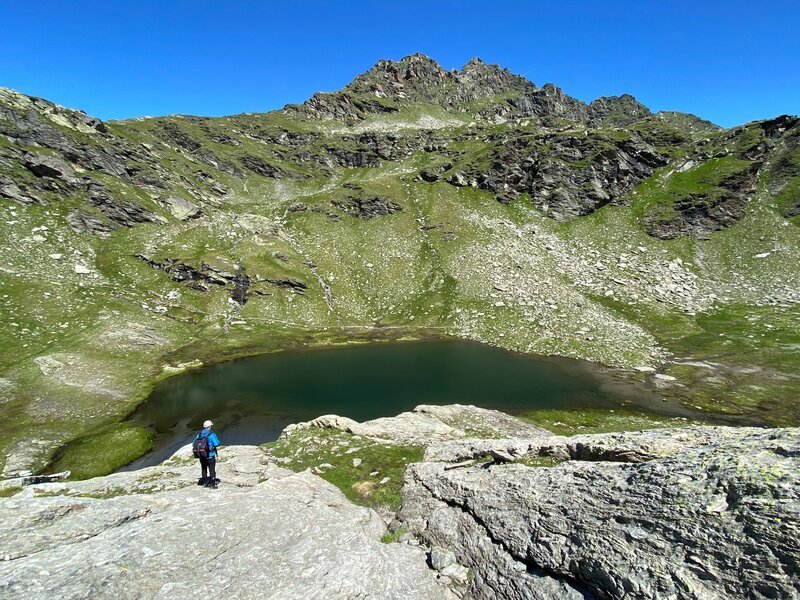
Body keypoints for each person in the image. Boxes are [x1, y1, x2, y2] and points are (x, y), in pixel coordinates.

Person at [194, 419, 221, 488]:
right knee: (212, 469)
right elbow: (217, 443)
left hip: (202, 456)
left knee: (204, 468)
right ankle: (212, 483)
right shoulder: (211, 434)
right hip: (210, 455)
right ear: (209, 426)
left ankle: (205, 482)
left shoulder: (199, 434)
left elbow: (193, 444)